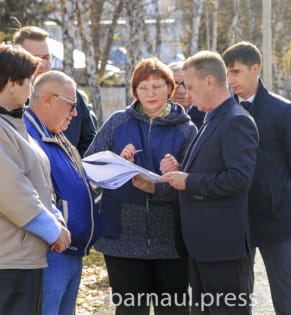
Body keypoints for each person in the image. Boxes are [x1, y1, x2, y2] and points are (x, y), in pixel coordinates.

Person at [85, 57, 196, 315]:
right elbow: (91, 167)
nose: (150, 94)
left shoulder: (186, 129)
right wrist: (118, 161)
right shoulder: (117, 122)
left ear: (170, 87)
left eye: (157, 86)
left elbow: (195, 183)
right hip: (122, 240)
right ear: (134, 91)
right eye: (143, 88)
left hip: (170, 241)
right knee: (130, 311)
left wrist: (169, 176)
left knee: (173, 311)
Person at [160, 50, 259, 315]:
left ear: (210, 82)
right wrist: (181, 170)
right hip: (204, 246)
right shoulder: (212, 117)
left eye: (190, 86)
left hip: (222, 249)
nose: (187, 94)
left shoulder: (236, 120)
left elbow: (239, 179)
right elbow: (213, 168)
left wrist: (189, 181)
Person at [222, 41, 291, 315]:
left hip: (278, 218)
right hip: (237, 217)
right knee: (238, 294)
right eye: (227, 73)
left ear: (255, 68)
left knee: (285, 292)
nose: (230, 80)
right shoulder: (225, 111)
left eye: (236, 72)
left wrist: (284, 200)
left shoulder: (284, 111)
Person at [0, 44, 71, 315]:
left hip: (25, 258)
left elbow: (37, 185)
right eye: (29, 81)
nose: (32, 88)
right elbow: (12, 193)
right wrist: (53, 230)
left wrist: (56, 218)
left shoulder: (15, 127)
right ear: (11, 83)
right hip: (8, 261)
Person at [23, 70, 101, 315]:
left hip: (68, 250)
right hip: (49, 251)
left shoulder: (53, 133)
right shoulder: (27, 136)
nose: (75, 113)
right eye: (71, 105)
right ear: (48, 98)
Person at [13, 25, 97, 156]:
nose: (43, 64)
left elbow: (91, 145)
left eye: (46, 57)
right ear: (17, 59)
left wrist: (74, 170)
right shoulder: (10, 103)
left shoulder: (74, 98)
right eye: (35, 58)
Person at [168, 61, 205, 128]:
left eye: (186, 84)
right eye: (176, 84)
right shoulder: (157, 116)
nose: (181, 91)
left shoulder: (206, 116)